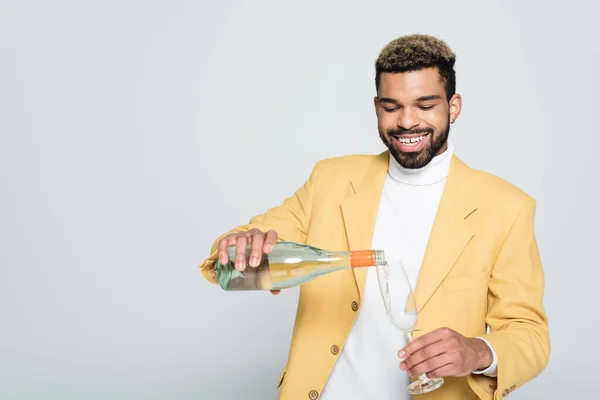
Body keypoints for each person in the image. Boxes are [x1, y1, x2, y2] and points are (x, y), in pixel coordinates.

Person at [199, 34, 550, 400]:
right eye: (391, 106)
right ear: (376, 107)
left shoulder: (506, 207)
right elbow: (252, 242)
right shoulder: (331, 180)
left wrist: (478, 351)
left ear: (454, 106)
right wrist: (240, 246)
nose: (407, 121)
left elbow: (530, 334)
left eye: (425, 105)